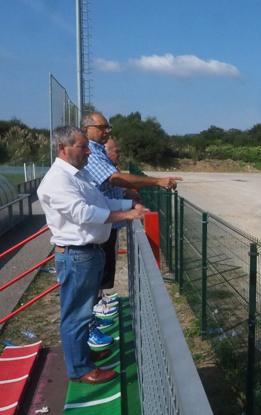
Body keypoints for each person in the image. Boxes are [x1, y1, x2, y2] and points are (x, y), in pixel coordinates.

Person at [37, 126, 146, 384]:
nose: (88, 151)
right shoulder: (57, 181)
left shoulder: (79, 174)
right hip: (77, 255)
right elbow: (84, 214)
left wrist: (129, 204)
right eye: (82, 147)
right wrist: (127, 215)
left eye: (87, 146)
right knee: (76, 315)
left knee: (85, 311)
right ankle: (80, 369)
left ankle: (83, 358)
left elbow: (101, 204)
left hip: (88, 253)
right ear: (62, 149)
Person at [81, 112, 181, 290]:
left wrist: (129, 200)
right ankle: (97, 306)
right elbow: (113, 178)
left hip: (107, 221)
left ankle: (100, 303)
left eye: (107, 127)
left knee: (103, 273)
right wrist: (157, 181)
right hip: (100, 223)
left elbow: (113, 182)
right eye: (102, 128)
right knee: (98, 276)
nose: (107, 131)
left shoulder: (97, 150)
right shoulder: (91, 152)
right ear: (86, 128)